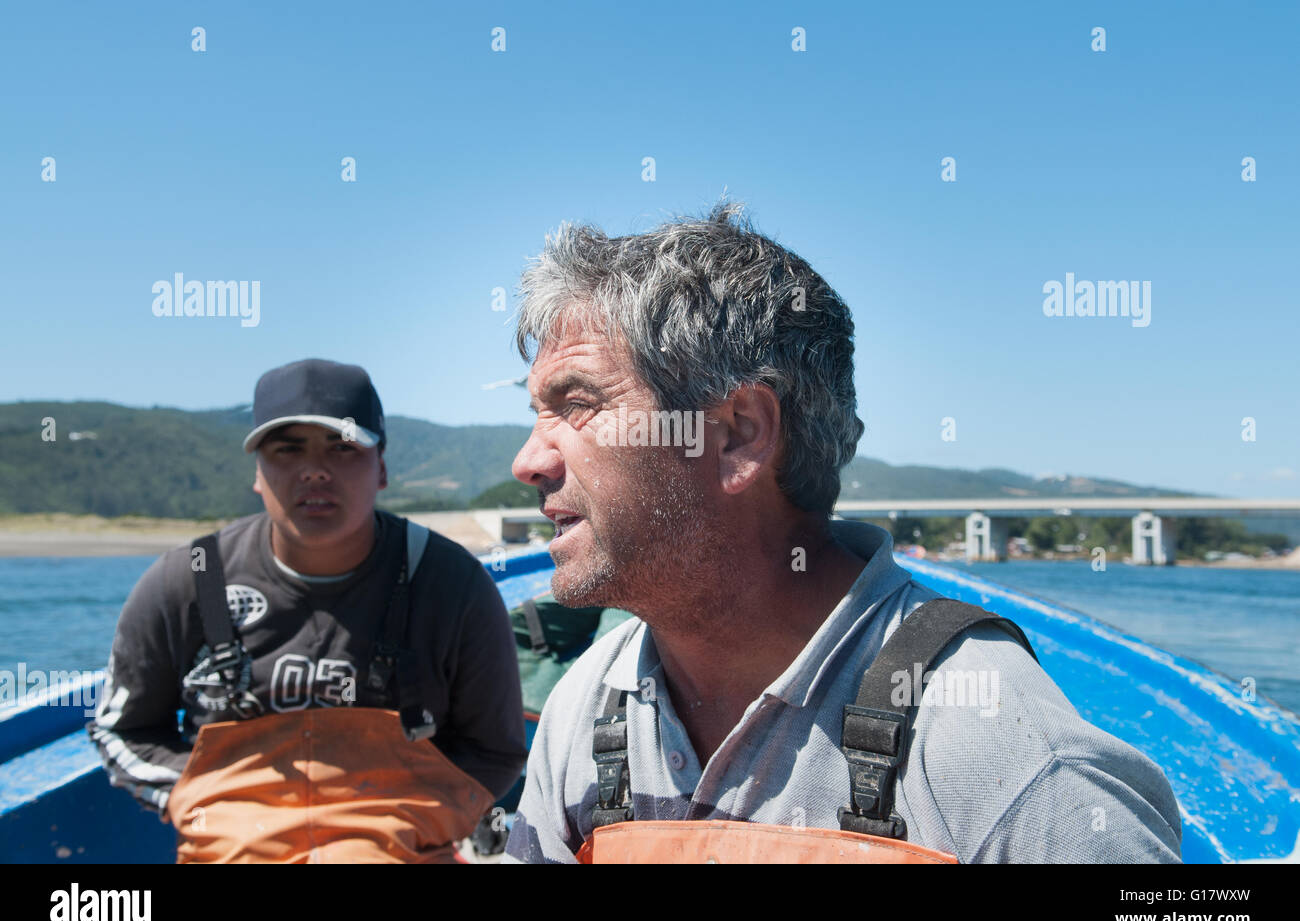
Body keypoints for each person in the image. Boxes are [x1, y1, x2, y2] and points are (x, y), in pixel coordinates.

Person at [503, 203, 1183, 864]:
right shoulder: (588, 704)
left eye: (579, 404)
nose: (527, 461)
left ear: (738, 434)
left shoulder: (999, 748)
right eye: (540, 412)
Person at [89, 358, 527, 863]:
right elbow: (121, 728)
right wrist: (197, 798)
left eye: (343, 447)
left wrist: (411, 818)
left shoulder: (452, 584)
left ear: (381, 467)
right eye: (287, 448)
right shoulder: (190, 579)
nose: (314, 469)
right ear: (258, 472)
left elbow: (495, 749)